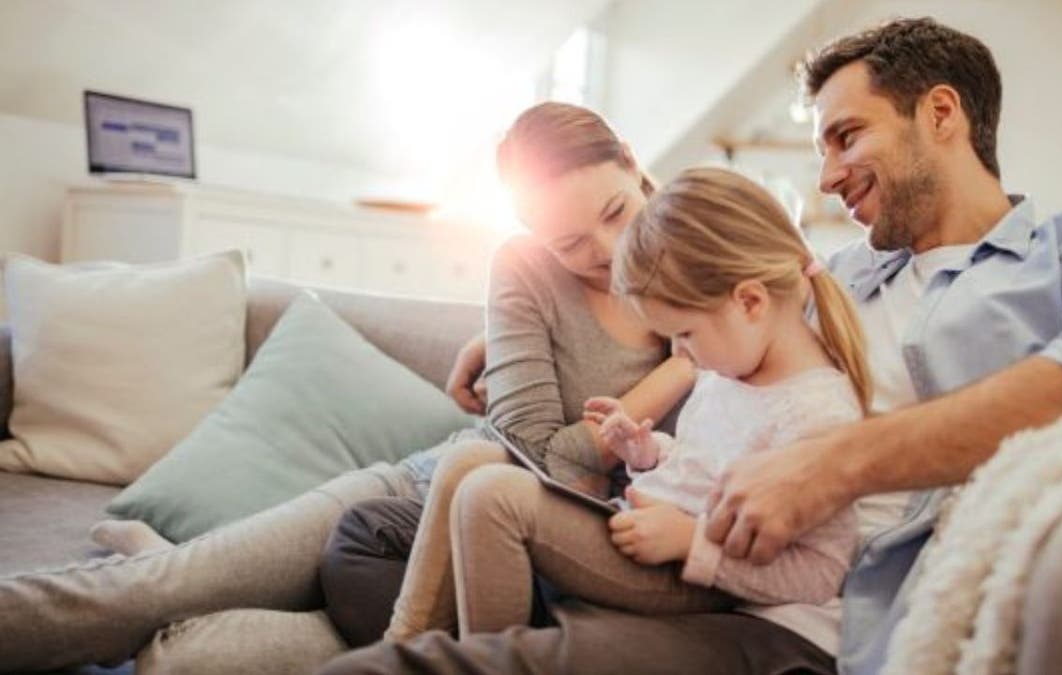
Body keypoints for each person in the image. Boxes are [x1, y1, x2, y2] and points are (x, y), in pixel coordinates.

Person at [323, 17, 1062, 675]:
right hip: (671, 513)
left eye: (846, 136)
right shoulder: (833, 277)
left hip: (797, 598)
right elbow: (703, 314)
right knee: (362, 539)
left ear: (942, 115)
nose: (824, 175)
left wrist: (839, 463)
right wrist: (505, 328)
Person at [0, 101, 695, 673]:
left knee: (195, 659)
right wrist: (681, 368)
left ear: (634, 166)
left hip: (527, 569)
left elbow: (793, 301)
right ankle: (174, 567)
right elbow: (535, 454)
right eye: (570, 244)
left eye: (613, 213)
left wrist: (689, 355)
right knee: (157, 592)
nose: (605, 255)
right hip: (416, 497)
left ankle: (180, 565)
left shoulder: (706, 267)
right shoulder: (526, 267)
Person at [358, 167, 870, 648]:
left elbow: (821, 570)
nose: (683, 357)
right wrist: (648, 452)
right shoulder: (730, 372)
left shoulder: (816, 416)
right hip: (646, 531)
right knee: (470, 468)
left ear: (751, 302)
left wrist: (692, 542)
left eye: (685, 334)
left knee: (493, 498)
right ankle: (405, 649)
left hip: (691, 576)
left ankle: (480, 661)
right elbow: (706, 466)